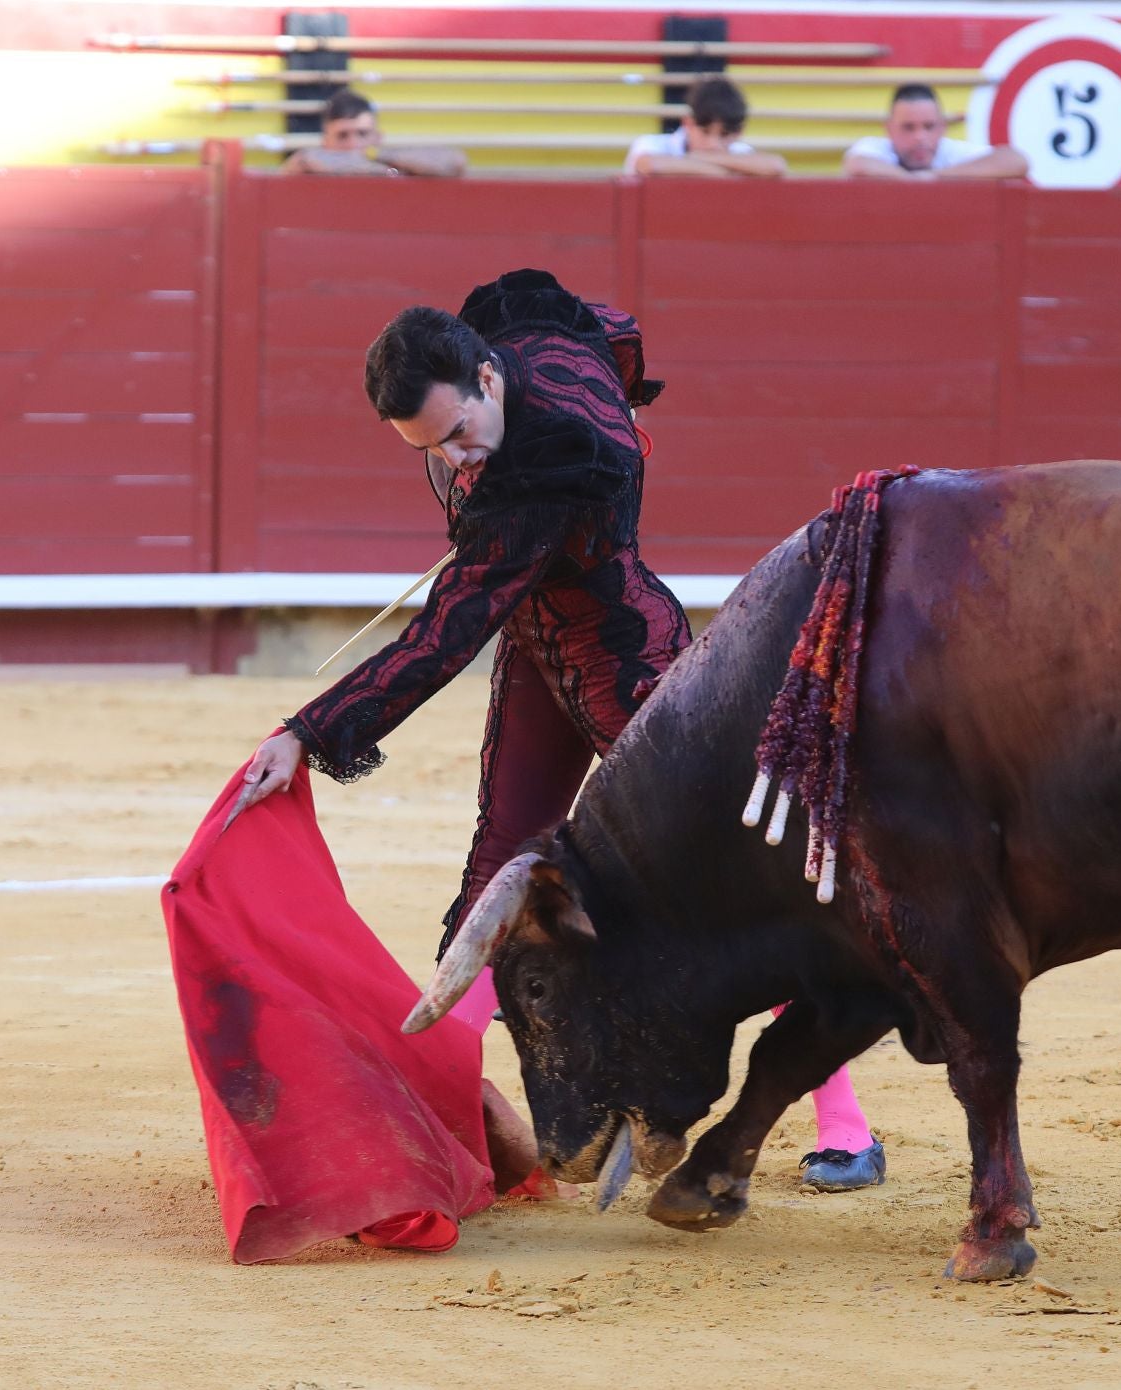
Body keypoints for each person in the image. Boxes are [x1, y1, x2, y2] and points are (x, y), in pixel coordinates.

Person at [229, 269, 887, 1198]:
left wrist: (309, 729)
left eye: (458, 435)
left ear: (490, 382)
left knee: (731, 870)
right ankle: (446, 1106)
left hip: (632, 666)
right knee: (500, 869)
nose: (457, 461)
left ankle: (843, 1124)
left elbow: (441, 637)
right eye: (430, 449)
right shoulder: (513, 345)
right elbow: (612, 336)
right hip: (541, 654)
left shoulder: (554, 454)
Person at [843, 83, 1029, 181]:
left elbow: (1016, 161)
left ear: (942, 128)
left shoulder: (950, 152)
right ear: (890, 130)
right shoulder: (877, 147)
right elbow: (858, 164)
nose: (920, 137)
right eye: (908, 127)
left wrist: (936, 176)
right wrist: (915, 181)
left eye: (929, 126)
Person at [624, 76, 788, 179]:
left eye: (724, 135)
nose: (713, 144)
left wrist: (700, 158)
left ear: (739, 133)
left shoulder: (741, 152)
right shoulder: (652, 144)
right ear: (688, 123)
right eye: (705, 132)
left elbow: (776, 166)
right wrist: (726, 172)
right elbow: (649, 166)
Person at [283, 88, 468, 178]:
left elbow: (455, 161)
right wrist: (379, 170)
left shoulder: (390, 159)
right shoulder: (308, 161)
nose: (353, 143)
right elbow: (301, 162)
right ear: (325, 140)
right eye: (342, 135)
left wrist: (377, 156)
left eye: (362, 134)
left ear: (377, 137)